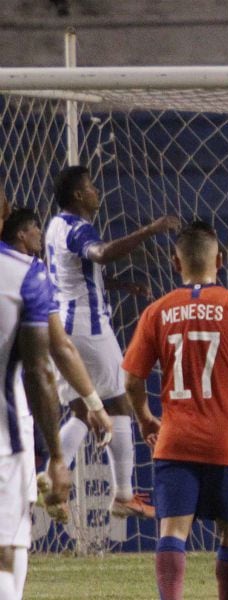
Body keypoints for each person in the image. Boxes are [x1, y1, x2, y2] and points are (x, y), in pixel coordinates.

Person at [122, 221, 228, 600]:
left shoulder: (157, 312)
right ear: (220, 261)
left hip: (175, 443)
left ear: (176, 263)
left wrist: (145, 417)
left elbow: (130, 379)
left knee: (172, 531)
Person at [45, 165, 178, 519]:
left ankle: (47, 477)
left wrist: (117, 286)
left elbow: (74, 273)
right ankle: (123, 494)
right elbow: (100, 254)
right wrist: (151, 229)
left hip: (63, 325)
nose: (96, 192)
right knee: (119, 403)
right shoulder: (78, 228)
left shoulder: (54, 226)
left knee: (82, 410)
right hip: (89, 329)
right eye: (90, 187)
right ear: (78, 195)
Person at [2, 207, 113, 516]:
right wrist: (95, 406)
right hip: (10, 409)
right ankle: (42, 480)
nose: (39, 232)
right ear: (21, 233)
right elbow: (55, 353)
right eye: (35, 227)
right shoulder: (29, 272)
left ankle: (37, 481)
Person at [0, 190, 71, 600]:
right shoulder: (25, 273)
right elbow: (40, 367)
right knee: (6, 556)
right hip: (4, 441)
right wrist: (58, 456)